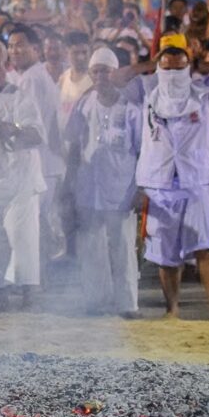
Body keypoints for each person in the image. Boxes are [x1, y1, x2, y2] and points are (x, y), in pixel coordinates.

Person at [135, 44, 209, 320]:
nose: (173, 73)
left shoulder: (204, 90)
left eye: (179, 67)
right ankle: (172, 309)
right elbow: (115, 78)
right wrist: (149, 65)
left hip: (195, 180)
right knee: (165, 252)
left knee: (203, 245)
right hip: (159, 181)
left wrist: (204, 64)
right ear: (158, 67)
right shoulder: (146, 90)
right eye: (168, 67)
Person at [64, 47, 142, 318]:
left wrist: (141, 189)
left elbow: (143, 151)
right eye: (95, 71)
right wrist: (70, 183)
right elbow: (72, 142)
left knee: (122, 246)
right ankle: (95, 300)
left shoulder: (132, 109)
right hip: (89, 188)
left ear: (115, 72)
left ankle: (127, 304)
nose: (100, 76)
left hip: (121, 190)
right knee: (92, 245)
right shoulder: (84, 104)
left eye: (105, 71)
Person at [0, 38, 45, 312]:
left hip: (20, 183)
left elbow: (37, 135)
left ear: (5, 65)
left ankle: (29, 296)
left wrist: (12, 129)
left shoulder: (20, 95)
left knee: (23, 239)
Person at [7, 25, 65, 269]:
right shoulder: (33, 75)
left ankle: (38, 282)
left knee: (35, 225)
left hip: (42, 164)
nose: (14, 50)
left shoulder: (31, 78)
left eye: (20, 45)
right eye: (10, 46)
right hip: (48, 164)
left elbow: (33, 128)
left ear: (36, 49)